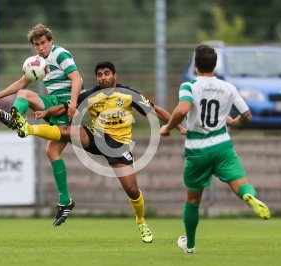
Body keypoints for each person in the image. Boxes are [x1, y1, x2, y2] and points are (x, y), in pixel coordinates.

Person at [9, 61, 186, 243]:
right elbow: (64, 107)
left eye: (107, 73)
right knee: (67, 131)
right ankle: (28, 129)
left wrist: (178, 126)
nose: (103, 78)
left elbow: (155, 110)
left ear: (115, 76)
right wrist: (46, 112)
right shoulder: (90, 95)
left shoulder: (128, 94)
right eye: (100, 75)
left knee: (132, 190)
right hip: (97, 136)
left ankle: (141, 221)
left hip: (120, 145)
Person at [160, 44, 270, 254]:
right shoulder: (228, 87)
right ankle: (249, 196)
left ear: (195, 64)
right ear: (215, 64)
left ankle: (190, 245)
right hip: (222, 147)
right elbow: (246, 115)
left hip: (197, 151)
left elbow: (183, 109)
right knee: (241, 185)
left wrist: (167, 127)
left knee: (192, 201)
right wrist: (231, 122)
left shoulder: (189, 86)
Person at [0, 23, 83, 226]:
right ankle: (14, 118)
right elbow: (21, 83)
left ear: (50, 41)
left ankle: (64, 200)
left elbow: (77, 79)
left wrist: (73, 104)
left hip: (66, 106)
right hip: (53, 103)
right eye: (37, 44)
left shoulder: (60, 54)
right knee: (24, 95)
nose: (41, 47)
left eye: (43, 43)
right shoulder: (37, 62)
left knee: (52, 149)